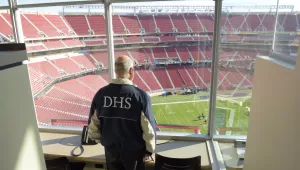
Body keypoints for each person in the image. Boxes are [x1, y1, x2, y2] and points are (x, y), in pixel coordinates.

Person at [88, 55, 156, 170]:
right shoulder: (141, 97)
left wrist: (106, 142)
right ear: (131, 71)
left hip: (111, 152)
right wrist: (149, 151)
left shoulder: (101, 94)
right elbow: (149, 130)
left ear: (115, 71)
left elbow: (92, 128)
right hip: (134, 155)